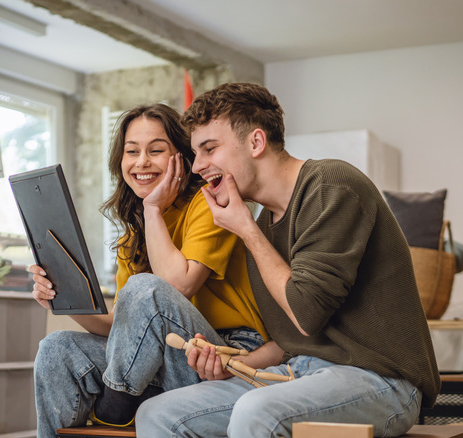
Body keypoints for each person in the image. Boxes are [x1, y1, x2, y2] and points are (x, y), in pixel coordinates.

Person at [135, 83, 441, 437]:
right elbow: (288, 340)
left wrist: (248, 231)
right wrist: (232, 365)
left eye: (209, 149)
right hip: (299, 371)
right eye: (195, 152)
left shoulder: (331, 186)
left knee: (258, 411)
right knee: (158, 413)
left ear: (256, 142)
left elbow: (307, 313)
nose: (198, 166)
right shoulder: (264, 223)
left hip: (382, 381)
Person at [29, 103, 269, 437]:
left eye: (156, 150)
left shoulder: (209, 202)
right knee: (56, 348)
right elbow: (125, 327)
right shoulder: (133, 234)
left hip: (226, 351)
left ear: (181, 159)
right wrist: (62, 297)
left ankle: (114, 412)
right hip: (167, 353)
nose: (142, 162)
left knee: (145, 287)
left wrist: (153, 208)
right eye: (132, 152)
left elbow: (177, 286)